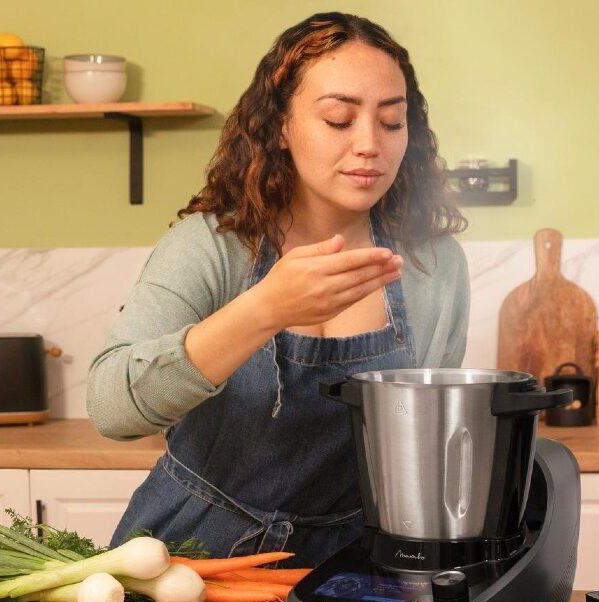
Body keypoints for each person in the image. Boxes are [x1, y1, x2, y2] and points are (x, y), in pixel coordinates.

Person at [87, 12, 469, 568]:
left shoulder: (431, 264)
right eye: (339, 119)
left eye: (392, 122)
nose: (370, 145)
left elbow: (427, 452)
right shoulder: (211, 248)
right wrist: (263, 309)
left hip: (349, 564)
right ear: (282, 127)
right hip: (182, 561)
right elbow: (112, 409)